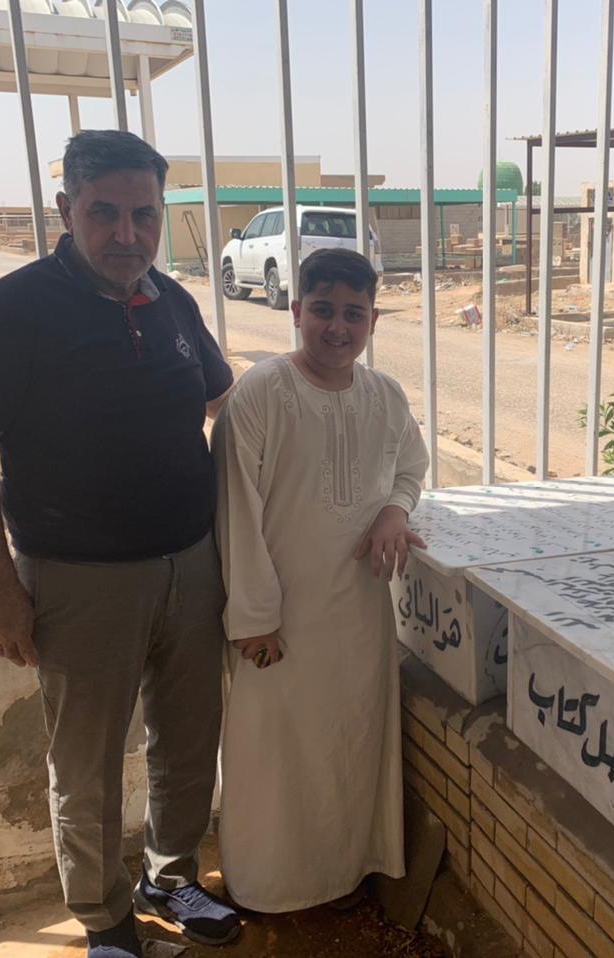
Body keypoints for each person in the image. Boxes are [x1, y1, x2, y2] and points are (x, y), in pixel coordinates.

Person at [0, 130, 240, 958]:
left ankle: (171, 876)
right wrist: (0, 591)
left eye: (145, 215)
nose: (126, 234)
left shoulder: (171, 302)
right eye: (104, 213)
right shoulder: (17, 309)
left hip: (192, 565)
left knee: (189, 742)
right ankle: (105, 919)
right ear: (65, 209)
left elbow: (228, 405)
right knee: (88, 765)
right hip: (77, 579)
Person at [213, 246, 429, 911]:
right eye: (324, 310)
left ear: (373, 321)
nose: (338, 327)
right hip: (278, 625)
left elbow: (410, 468)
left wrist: (395, 510)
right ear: (296, 310)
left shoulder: (385, 395)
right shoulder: (259, 393)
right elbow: (236, 512)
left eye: (354, 314)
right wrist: (254, 621)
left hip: (358, 617)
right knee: (274, 755)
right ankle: (269, 888)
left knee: (348, 745)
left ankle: (342, 874)